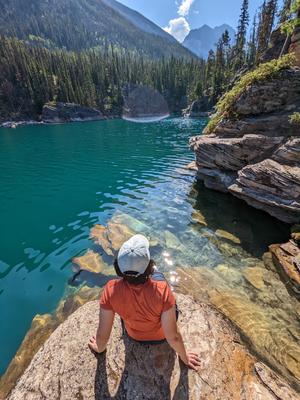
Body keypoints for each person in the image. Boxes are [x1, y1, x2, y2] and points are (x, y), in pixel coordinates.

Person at [89, 234, 200, 370]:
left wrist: (99, 348)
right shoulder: (162, 290)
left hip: (133, 335)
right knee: (159, 277)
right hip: (161, 337)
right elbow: (173, 337)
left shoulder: (110, 289)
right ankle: (152, 275)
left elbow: (102, 334)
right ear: (149, 266)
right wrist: (185, 358)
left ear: (118, 267)